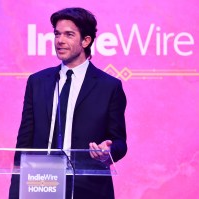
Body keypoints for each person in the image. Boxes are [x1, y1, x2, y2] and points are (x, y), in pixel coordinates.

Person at [9, 7, 127, 199]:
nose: (60, 41)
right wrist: (15, 192)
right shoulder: (38, 82)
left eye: (69, 34)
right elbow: (24, 141)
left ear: (86, 40)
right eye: (57, 34)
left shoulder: (109, 86)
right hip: (40, 185)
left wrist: (108, 152)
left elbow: (120, 142)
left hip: (88, 189)